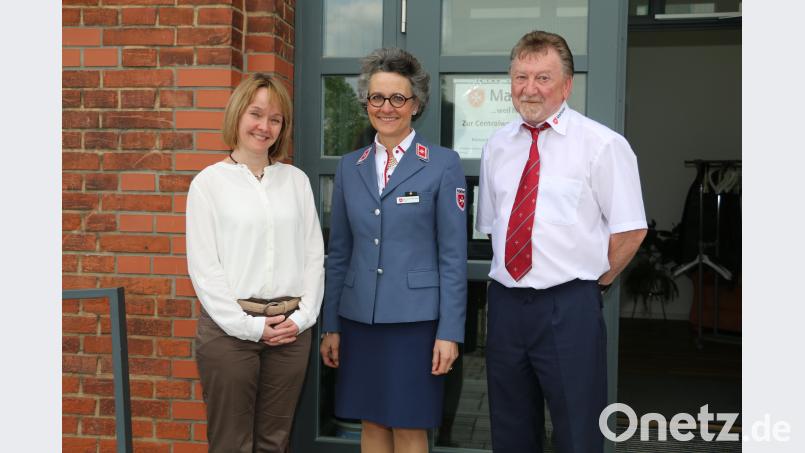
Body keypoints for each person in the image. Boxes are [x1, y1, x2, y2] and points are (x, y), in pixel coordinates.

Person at [476, 30, 648, 453]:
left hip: (568, 308)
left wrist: (594, 284)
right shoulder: (496, 146)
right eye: (520, 77)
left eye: (543, 78)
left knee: (578, 431)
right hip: (506, 307)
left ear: (567, 85)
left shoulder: (603, 145)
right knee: (510, 430)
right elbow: (495, 228)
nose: (529, 88)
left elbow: (631, 230)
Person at [319, 47, 467, 453]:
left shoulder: (442, 164)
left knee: (409, 426)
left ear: (415, 105)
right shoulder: (350, 166)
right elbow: (339, 253)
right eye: (377, 97)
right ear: (366, 102)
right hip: (359, 319)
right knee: (371, 421)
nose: (387, 107)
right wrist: (331, 324)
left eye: (398, 98)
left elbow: (453, 258)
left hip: (415, 324)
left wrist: (450, 332)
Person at [186, 72, 325, 453]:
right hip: (230, 335)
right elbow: (205, 269)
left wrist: (303, 318)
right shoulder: (208, 184)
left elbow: (314, 256)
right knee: (231, 444)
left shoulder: (296, 182)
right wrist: (249, 327)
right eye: (256, 114)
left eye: (275, 119)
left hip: (290, 333)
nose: (264, 126)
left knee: (273, 443)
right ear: (238, 115)